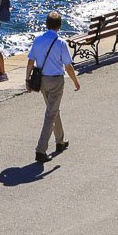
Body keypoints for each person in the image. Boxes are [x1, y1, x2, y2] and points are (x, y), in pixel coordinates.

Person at [26, 11, 80, 163]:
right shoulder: (61, 43)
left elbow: (30, 62)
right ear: (59, 26)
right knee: (50, 114)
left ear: (46, 24)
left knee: (53, 109)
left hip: (42, 81)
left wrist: (27, 80)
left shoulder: (37, 40)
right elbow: (68, 66)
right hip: (56, 81)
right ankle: (40, 150)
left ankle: (60, 140)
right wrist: (75, 81)